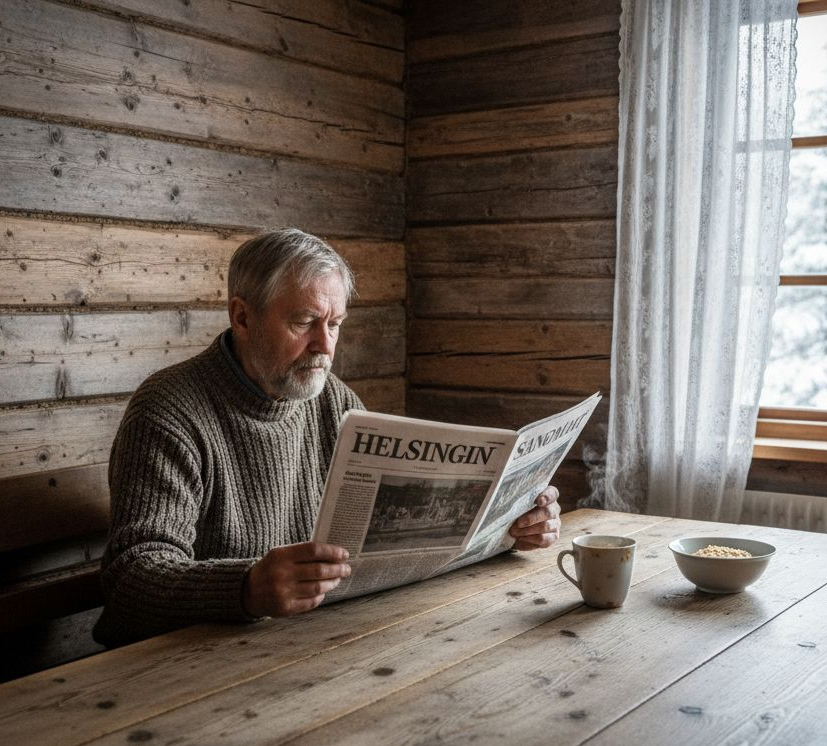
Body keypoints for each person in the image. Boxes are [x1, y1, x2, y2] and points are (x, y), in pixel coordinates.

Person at [93, 228, 562, 646]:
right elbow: (130, 582)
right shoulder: (170, 409)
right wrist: (246, 587)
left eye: (334, 324)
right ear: (242, 317)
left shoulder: (335, 402)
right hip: (186, 666)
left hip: (313, 644)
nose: (325, 345)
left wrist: (509, 529)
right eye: (304, 322)